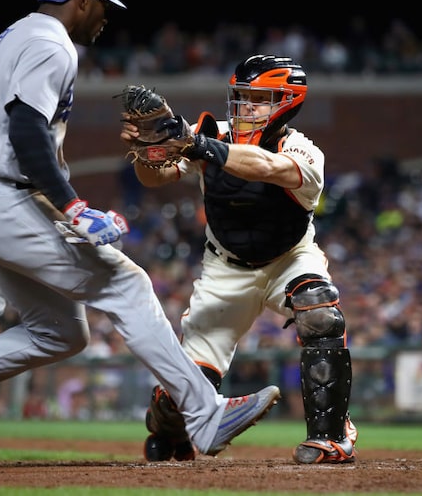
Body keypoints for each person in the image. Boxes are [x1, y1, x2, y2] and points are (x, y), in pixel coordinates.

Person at [0, 0, 280, 462]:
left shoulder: (8, 39)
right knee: (128, 285)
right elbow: (28, 131)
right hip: (11, 199)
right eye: (102, 6)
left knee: (60, 332)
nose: (105, 17)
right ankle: (203, 415)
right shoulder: (52, 44)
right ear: (81, 1)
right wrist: (74, 208)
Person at [121, 54, 357, 464]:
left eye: (257, 99)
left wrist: (196, 144)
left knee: (320, 311)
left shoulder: (302, 150)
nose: (245, 107)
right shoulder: (210, 135)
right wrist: (148, 151)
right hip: (225, 267)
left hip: (290, 257)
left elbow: (264, 166)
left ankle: (331, 435)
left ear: (286, 102)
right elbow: (154, 179)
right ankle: (172, 428)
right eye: (241, 97)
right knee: (185, 388)